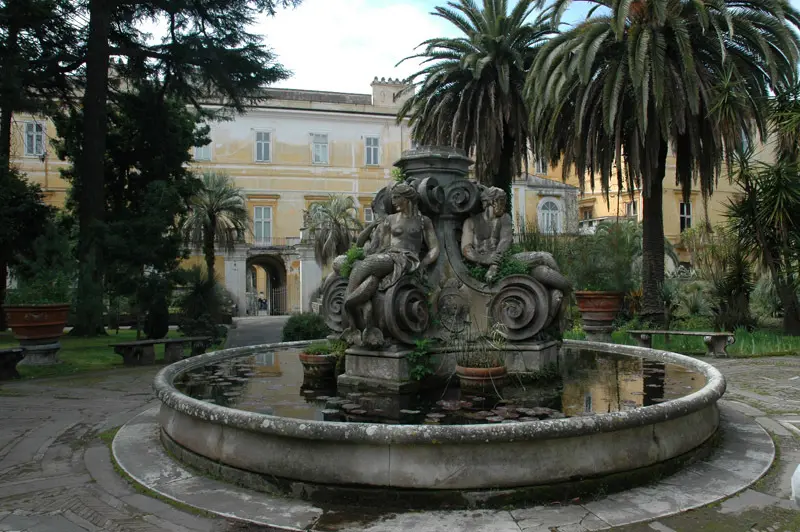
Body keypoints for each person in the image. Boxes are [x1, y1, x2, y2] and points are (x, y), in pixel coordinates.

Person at [341, 183, 439, 347]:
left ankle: (350, 316)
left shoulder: (423, 221)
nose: (393, 202)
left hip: (407, 259)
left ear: (406, 198)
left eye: (396, 197)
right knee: (371, 279)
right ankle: (360, 313)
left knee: (367, 265)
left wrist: (423, 264)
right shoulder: (390, 220)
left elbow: (434, 248)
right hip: (389, 256)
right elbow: (380, 246)